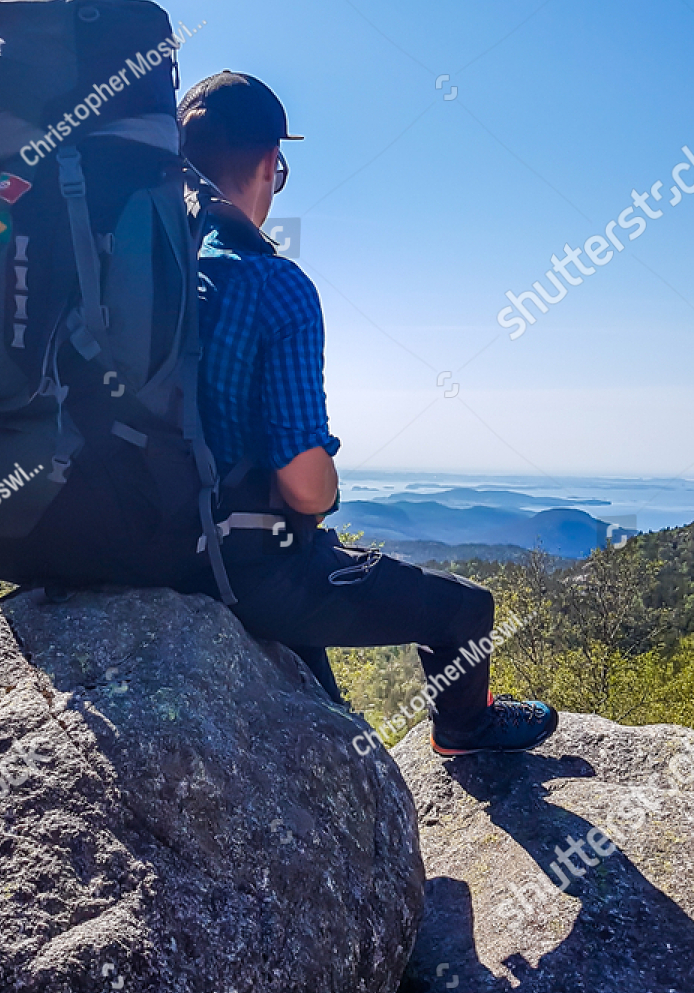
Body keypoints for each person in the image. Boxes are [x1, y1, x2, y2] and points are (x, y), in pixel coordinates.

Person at [176, 70, 558, 756]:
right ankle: (463, 728)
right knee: (466, 609)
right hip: (248, 568)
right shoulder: (271, 283)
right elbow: (305, 486)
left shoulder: (152, 275)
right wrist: (321, 487)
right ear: (269, 163)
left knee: (321, 699)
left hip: (153, 548)